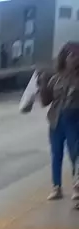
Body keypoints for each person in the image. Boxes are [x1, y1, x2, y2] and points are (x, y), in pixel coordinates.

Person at [39, 43, 79, 203]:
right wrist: (43, 85)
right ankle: (56, 187)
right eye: (72, 55)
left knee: (75, 154)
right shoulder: (56, 78)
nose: (75, 59)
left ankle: (77, 187)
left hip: (74, 120)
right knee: (56, 154)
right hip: (56, 121)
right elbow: (45, 101)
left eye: (77, 56)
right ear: (64, 58)